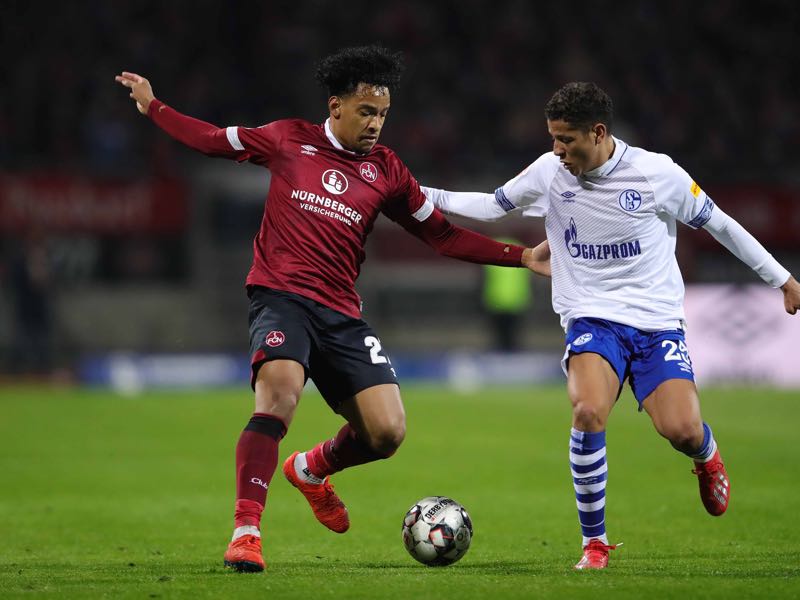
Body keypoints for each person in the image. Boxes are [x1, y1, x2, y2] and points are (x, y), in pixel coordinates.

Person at [115, 46, 549, 573]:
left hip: (341, 311)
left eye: (383, 115)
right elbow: (210, 140)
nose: (375, 124)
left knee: (387, 433)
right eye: (366, 112)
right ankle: (247, 531)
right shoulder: (287, 138)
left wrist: (522, 255)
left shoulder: (387, 170)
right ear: (336, 105)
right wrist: (154, 106)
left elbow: (443, 236)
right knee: (278, 395)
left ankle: (311, 469)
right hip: (281, 297)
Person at [422, 82, 800, 570]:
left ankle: (705, 453)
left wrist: (783, 280)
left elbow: (720, 224)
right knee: (587, 411)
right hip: (590, 317)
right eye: (553, 138)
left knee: (681, 430)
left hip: (656, 324)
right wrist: (416, 193)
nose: (557, 151)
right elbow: (492, 205)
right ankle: (595, 543)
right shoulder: (548, 172)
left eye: (567, 140)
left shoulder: (655, 173)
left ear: (598, 133)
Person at [482, 237, 532, 351]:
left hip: (495, 300)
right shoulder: (522, 250)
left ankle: (500, 360)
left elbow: (484, 278)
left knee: (498, 337)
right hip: (517, 300)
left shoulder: (491, 249)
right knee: (513, 337)